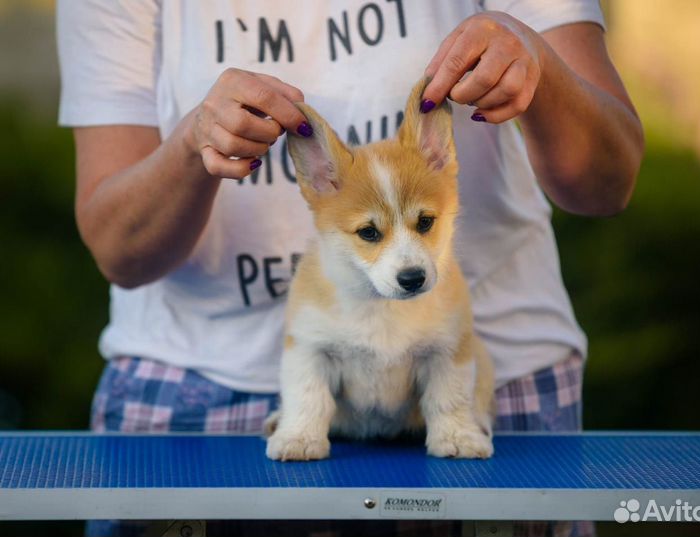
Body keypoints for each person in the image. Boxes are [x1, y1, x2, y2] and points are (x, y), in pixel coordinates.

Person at [57, 1, 643, 536]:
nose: (406, 257)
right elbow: (118, 250)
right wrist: (194, 143)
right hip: (191, 397)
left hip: (504, 384)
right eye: (372, 234)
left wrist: (535, 57)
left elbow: (609, 181)